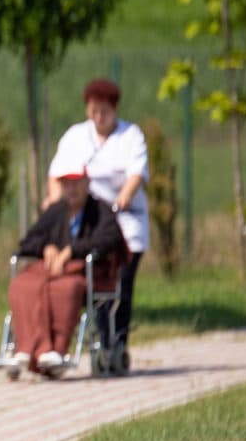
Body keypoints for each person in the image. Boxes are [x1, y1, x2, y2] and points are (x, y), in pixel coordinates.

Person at [44, 78, 149, 370]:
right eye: (94, 111)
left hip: (124, 220)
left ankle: (119, 342)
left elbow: (136, 174)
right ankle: (102, 341)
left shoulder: (131, 137)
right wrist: (55, 206)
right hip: (90, 223)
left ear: (115, 110)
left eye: (104, 111)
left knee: (121, 285)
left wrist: (123, 199)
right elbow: (57, 174)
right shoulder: (76, 137)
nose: (99, 117)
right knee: (96, 282)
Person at [8, 152, 128, 379]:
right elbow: (28, 241)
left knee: (64, 289)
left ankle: (54, 350)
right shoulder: (56, 211)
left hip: (83, 272)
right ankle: (27, 348)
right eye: (67, 184)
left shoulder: (100, 210)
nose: (72, 189)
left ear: (86, 183)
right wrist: (46, 247)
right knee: (22, 285)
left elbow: (110, 239)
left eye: (76, 183)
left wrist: (73, 251)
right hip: (49, 271)